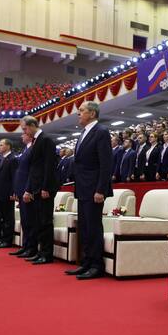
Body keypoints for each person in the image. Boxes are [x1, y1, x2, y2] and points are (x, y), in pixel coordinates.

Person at [65, 101, 113, 280]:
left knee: (93, 227)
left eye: (81, 110)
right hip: (83, 187)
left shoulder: (101, 131)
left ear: (92, 114)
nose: (78, 113)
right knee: (84, 227)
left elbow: (106, 163)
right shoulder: (84, 132)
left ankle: (96, 265)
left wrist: (101, 189)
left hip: (94, 189)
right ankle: (86, 262)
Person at [21, 116, 59, 265]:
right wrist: (30, 188)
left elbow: (49, 165)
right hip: (36, 187)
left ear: (32, 125)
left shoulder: (46, 139)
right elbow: (34, 168)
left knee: (45, 221)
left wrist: (45, 187)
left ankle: (47, 254)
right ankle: (40, 251)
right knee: (38, 221)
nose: (24, 132)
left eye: (25, 129)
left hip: (44, 187)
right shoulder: (36, 141)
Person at [10, 132, 37, 258]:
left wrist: (28, 189)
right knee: (24, 221)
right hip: (21, 189)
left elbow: (32, 171)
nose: (22, 136)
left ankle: (31, 247)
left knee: (30, 220)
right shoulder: (25, 149)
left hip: (28, 189)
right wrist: (17, 190)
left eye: (24, 134)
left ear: (30, 136)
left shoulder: (33, 148)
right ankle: (25, 245)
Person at [0, 138, 18, 248]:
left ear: (8, 146)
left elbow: (14, 177)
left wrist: (13, 192)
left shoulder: (13, 159)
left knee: (8, 217)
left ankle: (8, 240)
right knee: (2, 217)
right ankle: (3, 238)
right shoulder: (2, 159)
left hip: (8, 192)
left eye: (1, 145)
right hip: (1, 192)